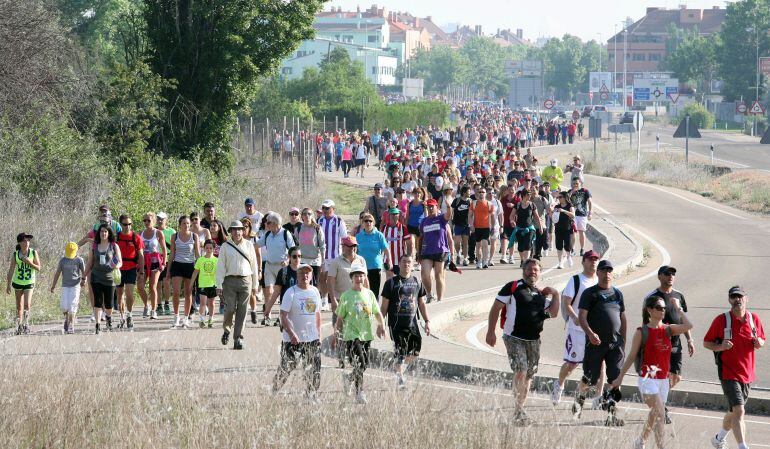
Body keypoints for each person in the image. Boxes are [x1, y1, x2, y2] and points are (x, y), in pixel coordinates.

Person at [611, 294, 693, 449]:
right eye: (658, 308)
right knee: (660, 413)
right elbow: (631, 357)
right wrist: (620, 378)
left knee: (655, 414)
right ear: (649, 310)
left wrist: (678, 309)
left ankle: (640, 441)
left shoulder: (668, 329)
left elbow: (689, 326)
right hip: (648, 380)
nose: (662, 310)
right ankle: (661, 447)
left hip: (664, 380)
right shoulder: (642, 332)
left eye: (664, 308)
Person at [485, 259, 560, 424]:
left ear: (540, 273)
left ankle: (520, 410)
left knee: (528, 375)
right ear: (523, 270)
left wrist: (556, 294)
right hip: (513, 337)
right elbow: (495, 308)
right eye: (529, 269)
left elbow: (554, 313)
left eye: (536, 270)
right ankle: (519, 411)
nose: (532, 272)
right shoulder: (513, 287)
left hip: (534, 340)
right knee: (521, 371)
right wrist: (491, 331)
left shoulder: (541, 295)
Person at [704, 286, 765, 449]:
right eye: (733, 297)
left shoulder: (754, 319)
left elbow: (762, 339)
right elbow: (706, 342)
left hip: (747, 373)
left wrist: (759, 343)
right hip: (728, 372)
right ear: (729, 300)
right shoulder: (721, 320)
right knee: (740, 411)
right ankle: (742, 446)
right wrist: (721, 347)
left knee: (733, 412)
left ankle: (718, 438)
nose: (737, 300)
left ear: (746, 298)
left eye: (740, 297)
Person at [573, 260, 626, 426]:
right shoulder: (590, 293)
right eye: (604, 270)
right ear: (598, 273)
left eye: (610, 270)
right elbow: (582, 316)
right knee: (589, 379)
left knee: (615, 380)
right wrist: (590, 334)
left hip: (615, 345)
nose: (607, 273)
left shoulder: (617, 294)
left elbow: (623, 318)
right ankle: (577, 406)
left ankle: (611, 416)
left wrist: (623, 342)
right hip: (595, 344)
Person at [643, 265, 695, 425]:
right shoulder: (652, 296)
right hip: (658, 342)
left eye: (673, 273)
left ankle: (659, 402)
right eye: (667, 274)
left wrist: (689, 339)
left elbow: (683, 320)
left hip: (676, 342)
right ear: (659, 276)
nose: (670, 276)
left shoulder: (679, 295)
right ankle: (661, 407)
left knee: (676, 376)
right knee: (661, 376)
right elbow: (646, 322)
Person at [552, 250, 604, 406]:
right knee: (571, 364)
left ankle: (597, 397)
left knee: (600, 364)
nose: (593, 262)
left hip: (595, 331)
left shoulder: (601, 282)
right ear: (584, 261)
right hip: (577, 330)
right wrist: (574, 317)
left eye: (596, 259)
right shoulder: (576, 280)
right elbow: (566, 302)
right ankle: (559, 385)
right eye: (590, 259)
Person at [333, 264, 386, 404]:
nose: (359, 278)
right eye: (356, 276)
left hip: (366, 335)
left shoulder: (369, 294)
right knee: (360, 363)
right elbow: (339, 317)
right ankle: (359, 392)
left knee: (364, 365)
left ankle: (349, 378)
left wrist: (382, 326)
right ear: (351, 278)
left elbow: (377, 312)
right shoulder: (346, 295)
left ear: (365, 277)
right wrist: (336, 334)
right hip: (351, 335)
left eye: (361, 275)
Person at [271, 262, 322, 400]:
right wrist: (292, 334)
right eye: (301, 273)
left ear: (311, 276)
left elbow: (318, 315)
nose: (305, 275)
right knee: (286, 368)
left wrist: (319, 335)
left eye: (307, 273)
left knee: (314, 369)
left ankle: (311, 395)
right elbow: (283, 315)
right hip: (293, 340)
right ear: (297, 276)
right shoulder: (291, 292)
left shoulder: (315, 291)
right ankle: (274, 390)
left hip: (311, 339)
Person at [380, 254, 430, 389]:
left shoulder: (417, 281)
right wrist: (381, 324)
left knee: (415, 352)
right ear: (399, 264)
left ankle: (398, 368)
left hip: (412, 324)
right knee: (400, 353)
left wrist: (427, 321)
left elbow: (421, 303)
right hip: (396, 325)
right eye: (404, 262)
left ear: (413, 265)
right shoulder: (391, 283)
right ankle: (400, 378)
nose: (406, 264)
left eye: (409, 262)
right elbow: (384, 306)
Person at [216, 221, 259, 350]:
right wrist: (218, 284)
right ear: (230, 232)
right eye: (234, 230)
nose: (237, 232)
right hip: (229, 281)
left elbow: (254, 265)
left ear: (243, 231)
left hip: (245, 280)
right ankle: (227, 329)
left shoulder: (249, 245)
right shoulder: (225, 246)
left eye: (240, 229)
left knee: (242, 310)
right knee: (229, 308)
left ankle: (238, 338)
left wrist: (255, 284)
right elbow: (220, 266)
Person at [257, 212, 297, 325]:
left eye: (268, 222)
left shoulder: (286, 234)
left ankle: (281, 317)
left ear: (275, 223)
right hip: (269, 266)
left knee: (281, 293)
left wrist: (288, 260)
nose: (266, 224)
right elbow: (257, 244)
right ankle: (267, 316)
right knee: (268, 292)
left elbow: (293, 249)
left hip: (282, 267)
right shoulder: (267, 234)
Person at [83, 224, 122, 334]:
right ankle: (98, 325)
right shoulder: (94, 246)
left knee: (109, 304)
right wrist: (84, 276)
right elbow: (89, 263)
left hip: (109, 278)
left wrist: (117, 266)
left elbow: (120, 261)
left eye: (105, 231)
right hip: (96, 277)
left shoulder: (114, 246)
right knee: (98, 301)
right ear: (98, 233)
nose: (103, 233)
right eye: (101, 231)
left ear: (109, 233)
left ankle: (108, 318)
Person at [416, 198, 455, 303]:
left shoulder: (441, 218)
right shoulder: (424, 221)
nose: (430, 208)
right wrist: (418, 253)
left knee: (439, 275)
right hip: (427, 252)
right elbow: (420, 238)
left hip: (440, 251)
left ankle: (440, 299)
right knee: (425, 274)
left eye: (432, 206)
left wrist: (448, 206)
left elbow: (449, 215)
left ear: (436, 207)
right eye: (428, 207)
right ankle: (429, 294)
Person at [168, 215, 200, 328]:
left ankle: (186, 318)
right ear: (179, 225)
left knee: (188, 292)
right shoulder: (174, 236)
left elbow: (197, 254)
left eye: (188, 223)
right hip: (177, 265)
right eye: (184, 223)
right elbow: (172, 253)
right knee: (176, 292)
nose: (186, 225)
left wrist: (200, 268)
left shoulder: (194, 236)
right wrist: (168, 270)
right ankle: (176, 316)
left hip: (190, 266)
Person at [6, 232, 42, 335]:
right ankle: (19, 326)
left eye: (28, 240)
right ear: (20, 242)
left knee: (27, 304)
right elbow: (11, 270)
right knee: (19, 306)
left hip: (29, 281)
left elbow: (39, 268)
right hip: (17, 282)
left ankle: (26, 324)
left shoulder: (33, 253)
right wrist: (8, 284)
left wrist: (29, 263)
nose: (27, 243)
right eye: (24, 241)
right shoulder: (15, 254)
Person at [116, 214, 144, 330]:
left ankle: (129, 315)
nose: (127, 226)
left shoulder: (136, 237)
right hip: (118, 269)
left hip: (131, 268)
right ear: (121, 225)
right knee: (119, 296)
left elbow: (141, 255)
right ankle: (122, 317)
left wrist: (141, 271)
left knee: (129, 293)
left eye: (129, 224)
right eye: (125, 224)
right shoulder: (116, 237)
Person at [318, 199, 347, 310]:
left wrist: (344, 254)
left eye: (327, 208)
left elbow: (344, 238)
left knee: (336, 279)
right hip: (323, 255)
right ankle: (325, 300)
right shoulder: (319, 221)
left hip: (335, 255)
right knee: (323, 278)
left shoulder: (339, 221)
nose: (325, 210)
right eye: (324, 208)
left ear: (333, 209)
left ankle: (338, 299)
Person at [50, 242, 85, 334]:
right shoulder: (62, 260)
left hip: (75, 285)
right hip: (65, 285)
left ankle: (71, 325)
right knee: (64, 306)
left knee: (72, 305)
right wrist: (53, 285)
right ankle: (67, 319)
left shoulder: (79, 260)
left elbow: (84, 271)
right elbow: (57, 273)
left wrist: (83, 280)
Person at [137, 213, 166, 320]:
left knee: (152, 286)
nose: (146, 223)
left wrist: (164, 263)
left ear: (153, 221)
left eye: (148, 220)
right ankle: (146, 305)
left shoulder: (158, 233)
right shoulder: (140, 233)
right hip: (143, 261)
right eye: (144, 220)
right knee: (140, 286)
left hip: (155, 261)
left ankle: (154, 311)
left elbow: (163, 249)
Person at [264, 246, 302, 326]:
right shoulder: (283, 272)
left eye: (299, 256)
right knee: (287, 335)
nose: (297, 259)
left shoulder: (305, 271)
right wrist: (268, 308)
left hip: (301, 308)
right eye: (294, 256)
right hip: (286, 308)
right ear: (289, 257)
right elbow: (276, 292)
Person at [355, 213, 388, 297]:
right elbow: (354, 251)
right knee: (363, 290)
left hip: (375, 267)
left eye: (370, 221)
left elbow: (386, 249)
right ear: (362, 223)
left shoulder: (379, 235)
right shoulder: (358, 236)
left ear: (373, 223)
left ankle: (374, 308)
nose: (368, 223)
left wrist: (389, 261)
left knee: (374, 291)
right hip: (362, 267)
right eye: (366, 221)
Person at [508, 190, 542, 267]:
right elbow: (511, 215)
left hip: (529, 228)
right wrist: (512, 221)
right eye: (528, 194)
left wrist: (540, 227)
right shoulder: (518, 205)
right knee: (520, 247)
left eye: (530, 194)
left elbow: (536, 217)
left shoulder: (532, 205)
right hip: (519, 229)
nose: (529, 196)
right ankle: (522, 260)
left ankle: (526, 262)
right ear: (523, 195)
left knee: (527, 245)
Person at [294, 207, 325, 287]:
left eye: (309, 214)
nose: (307, 215)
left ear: (312, 216)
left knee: (315, 285)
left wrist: (323, 261)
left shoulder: (317, 228)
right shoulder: (298, 228)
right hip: (302, 260)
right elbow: (295, 245)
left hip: (315, 261)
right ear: (302, 216)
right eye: (304, 214)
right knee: (302, 283)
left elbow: (322, 245)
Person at [191, 239, 219, 328]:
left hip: (213, 285)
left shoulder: (216, 260)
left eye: (211, 248)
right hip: (202, 284)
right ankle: (202, 319)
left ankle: (211, 319)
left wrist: (220, 284)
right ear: (203, 249)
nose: (209, 250)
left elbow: (219, 273)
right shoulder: (200, 260)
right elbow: (195, 272)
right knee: (202, 303)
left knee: (211, 303)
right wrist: (191, 283)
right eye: (207, 248)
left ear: (214, 249)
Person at [468, 186, 493, 269]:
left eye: (483, 192)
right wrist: (471, 225)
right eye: (480, 192)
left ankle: (485, 261)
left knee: (485, 244)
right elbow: (470, 216)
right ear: (477, 193)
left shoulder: (489, 204)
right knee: (478, 245)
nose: (481, 193)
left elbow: (492, 216)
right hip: (476, 227)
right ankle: (479, 262)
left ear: (485, 194)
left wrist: (492, 227)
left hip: (486, 227)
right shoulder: (474, 203)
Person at [381, 208, 409, 280]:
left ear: (398, 215)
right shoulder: (384, 228)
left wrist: (409, 256)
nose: (394, 216)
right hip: (387, 259)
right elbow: (380, 243)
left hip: (400, 259)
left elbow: (409, 244)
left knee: (401, 279)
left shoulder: (403, 228)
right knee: (390, 279)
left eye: (396, 214)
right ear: (389, 216)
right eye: (392, 214)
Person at [156, 212, 175, 316]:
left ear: (166, 220)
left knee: (167, 283)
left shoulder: (171, 231)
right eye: (158, 219)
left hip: (167, 259)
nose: (160, 221)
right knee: (157, 285)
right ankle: (159, 305)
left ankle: (167, 303)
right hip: (155, 259)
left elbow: (174, 247)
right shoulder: (153, 231)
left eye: (162, 219)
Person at [569, 178, 592, 256]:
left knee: (581, 232)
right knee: (573, 232)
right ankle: (572, 249)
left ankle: (582, 249)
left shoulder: (585, 191)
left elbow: (590, 202)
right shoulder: (570, 191)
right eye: (574, 183)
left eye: (577, 183)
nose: (575, 185)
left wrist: (590, 213)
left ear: (580, 183)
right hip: (573, 215)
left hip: (582, 215)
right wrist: (572, 192)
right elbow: (566, 200)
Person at [553, 192, 575, 269]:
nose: (559, 198)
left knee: (567, 245)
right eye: (558, 197)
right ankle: (560, 263)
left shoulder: (570, 205)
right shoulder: (557, 206)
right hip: (558, 228)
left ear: (565, 197)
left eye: (561, 197)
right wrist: (553, 213)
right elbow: (554, 218)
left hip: (567, 229)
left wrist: (563, 211)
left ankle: (569, 257)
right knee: (559, 246)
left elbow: (573, 215)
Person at [451, 186, 472, 266]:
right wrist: (451, 221)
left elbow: (472, 213)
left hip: (466, 225)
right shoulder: (457, 200)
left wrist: (471, 224)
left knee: (465, 242)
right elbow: (452, 211)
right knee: (457, 242)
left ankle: (465, 258)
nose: (470, 193)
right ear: (464, 192)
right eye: (468, 191)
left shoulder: (470, 201)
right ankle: (458, 254)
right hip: (457, 224)